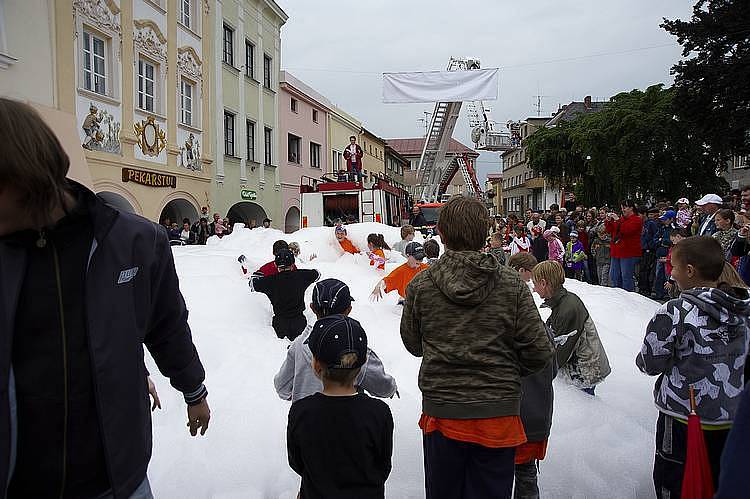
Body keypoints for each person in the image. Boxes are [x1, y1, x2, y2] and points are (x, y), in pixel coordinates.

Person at [0, 98, 210, 498]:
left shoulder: (134, 241)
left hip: (116, 479)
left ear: (23, 177)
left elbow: (167, 326)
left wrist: (194, 390)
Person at [400, 196, 554, 499]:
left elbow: (413, 343)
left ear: (441, 234)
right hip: (498, 413)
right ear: (485, 233)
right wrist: (505, 369)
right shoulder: (511, 285)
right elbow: (539, 350)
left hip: (443, 412)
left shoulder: (422, 286)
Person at [636, 236, 749, 499]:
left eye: (673, 267)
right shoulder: (743, 308)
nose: (671, 273)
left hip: (683, 417)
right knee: (718, 480)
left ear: (689, 271)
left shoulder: (675, 311)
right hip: (732, 416)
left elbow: (650, 363)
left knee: (675, 481)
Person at [287, 315, 393, 498]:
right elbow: (383, 465)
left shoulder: (301, 411)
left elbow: (296, 462)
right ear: (360, 368)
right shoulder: (379, 412)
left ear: (316, 365)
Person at [274, 279, 397, 403]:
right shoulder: (354, 348)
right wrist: (392, 388)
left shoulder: (299, 345)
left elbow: (281, 387)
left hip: (304, 418)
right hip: (347, 419)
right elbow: (383, 388)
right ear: (349, 310)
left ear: (312, 308)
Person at [507, 254, 554, 499]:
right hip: (537, 417)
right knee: (526, 475)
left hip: (511, 418)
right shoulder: (541, 330)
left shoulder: (500, 333)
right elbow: (551, 368)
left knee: (503, 474)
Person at [532, 260, 611, 396]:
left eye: (535, 284)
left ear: (544, 283)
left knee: (584, 407)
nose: (534, 288)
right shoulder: (562, 301)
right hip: (579, 367)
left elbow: (560, 353)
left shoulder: (567, 309)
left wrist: (537, 375)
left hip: (584, 371)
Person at [250, 249, 320, 340]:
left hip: (279, 324)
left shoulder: (270, 281)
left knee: (280, 348)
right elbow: (317, 274)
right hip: (299, 321)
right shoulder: (302, 276)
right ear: (292, 265)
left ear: (276, 265)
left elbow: (253, 283)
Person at [605, 199, 643, 292]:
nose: (623, 210)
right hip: (617, 252)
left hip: (628, 253)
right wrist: (609, 221)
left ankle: (629, 298)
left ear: (631, 208)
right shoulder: (622, 219)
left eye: (625, 207)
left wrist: (617, 221)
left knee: (626, 278)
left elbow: (626, 230)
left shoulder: (637, 220)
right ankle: (617, 297)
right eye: (622, 208)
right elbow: (610, 230)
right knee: (614, 277)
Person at [653, 210, 677, 300]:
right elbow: (655, 239)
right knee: (658, 275)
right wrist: (660, 241)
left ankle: (669, 294)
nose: (663, 221)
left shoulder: (675, 229)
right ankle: (659, 293)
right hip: (660, 254)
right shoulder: (661, 228)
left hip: (669, 256)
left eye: (665, 219)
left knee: (669, 276)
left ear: (671, 219)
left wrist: (662, 240)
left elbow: (672, 242)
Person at [639, 207, 660, 296]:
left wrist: (650, 246)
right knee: (642, 269)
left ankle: (646, 289)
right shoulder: (642, 223)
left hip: (649, 250)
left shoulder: (651, 223)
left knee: (646, 269)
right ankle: (642, 287)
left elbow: (655, 235)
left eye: (639, 214)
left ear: (644, 214)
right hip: (642, 249)